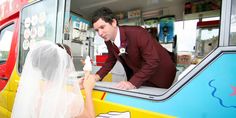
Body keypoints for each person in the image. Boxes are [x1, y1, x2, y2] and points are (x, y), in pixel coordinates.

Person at [90, 7, 176, 90]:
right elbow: (111, 60)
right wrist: (96, 77)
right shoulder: (108, 40)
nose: (100, 33)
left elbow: (153, 61)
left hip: (161, 75)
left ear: (113, 23)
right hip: (141, 75)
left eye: (102, 27)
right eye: (97, 30)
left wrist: (132, 83)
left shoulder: (138, 33)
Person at [11, 40, 95, 118]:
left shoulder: (35, 92)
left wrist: (75, 88)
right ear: (63, 65)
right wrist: (88, 90)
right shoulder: (71, 101)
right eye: (70, 59)